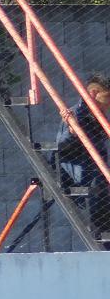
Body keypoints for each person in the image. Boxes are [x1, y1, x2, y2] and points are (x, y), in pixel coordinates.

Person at [55, 71, 110, 246]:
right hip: (81, 173)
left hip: (98, 172)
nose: (108, 105)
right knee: (100, 190)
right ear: (94, 94)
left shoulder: (99, 117)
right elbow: (61, 146)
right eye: (107, 98)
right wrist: (73, 132)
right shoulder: (75, 115)